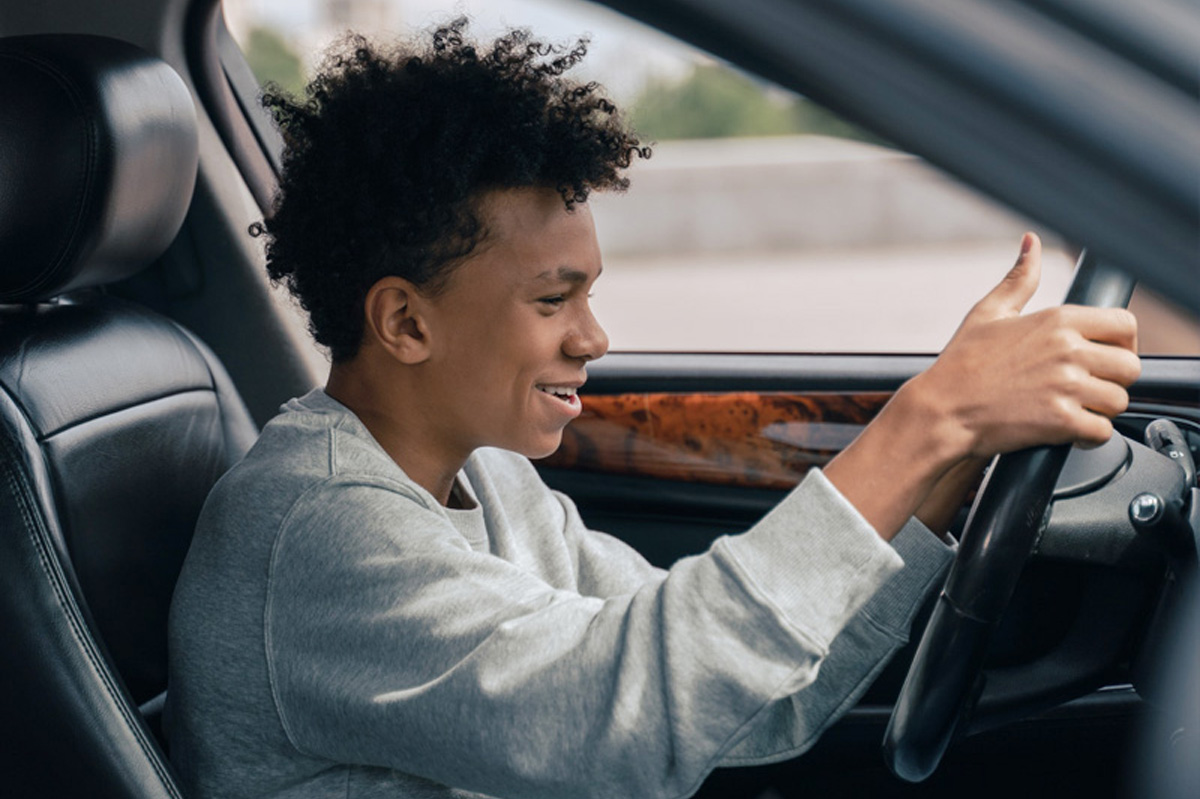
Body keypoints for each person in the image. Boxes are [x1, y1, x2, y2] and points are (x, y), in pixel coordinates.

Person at [165, 19, 1142, 799]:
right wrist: (929, 418)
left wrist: (948, 471)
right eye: (553, 301)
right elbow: (629, 718)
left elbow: (727, 698)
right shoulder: (321, 532)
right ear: (405, 322)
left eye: (589, 294)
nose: (593, 337)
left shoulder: (487, 474)